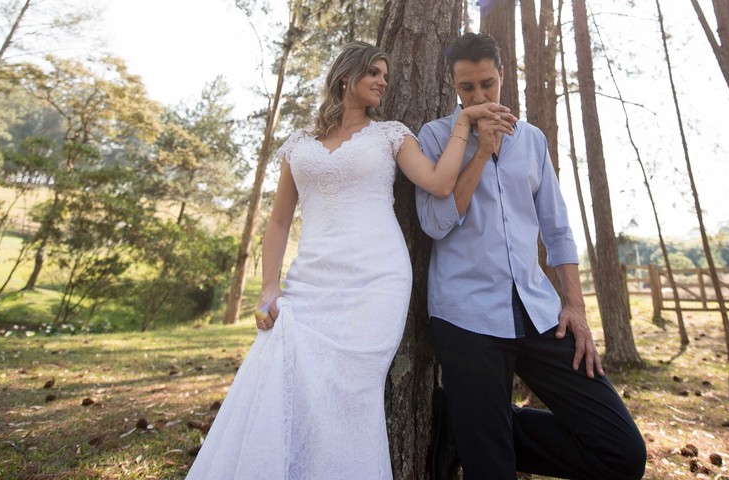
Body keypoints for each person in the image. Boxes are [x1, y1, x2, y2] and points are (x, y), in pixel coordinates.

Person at [186, 41, 514, 480]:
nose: (383, 82)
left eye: (385, 75)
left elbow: (439, 183)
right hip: (309, 281)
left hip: (376, 281)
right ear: (346, 76)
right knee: (279, 376)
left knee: (349, 393)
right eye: (374, 73)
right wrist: (269, 287)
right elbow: (279, 222)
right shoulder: (299, 144)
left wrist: (464, 122)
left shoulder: (391, 134)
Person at [416, 32, 647, 480]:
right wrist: (480, 152)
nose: (479, 96)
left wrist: (575, 307)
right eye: (467, 88)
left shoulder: (533, 141)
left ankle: (465, 425)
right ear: (453, 86)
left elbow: (557, 229)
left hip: (538, 312)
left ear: (502, 76)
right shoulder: (435, 137)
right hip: (466, 317)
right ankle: (476, 430)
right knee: (491, 471)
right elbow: (435, 224)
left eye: (487, 84)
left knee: (622, 454)